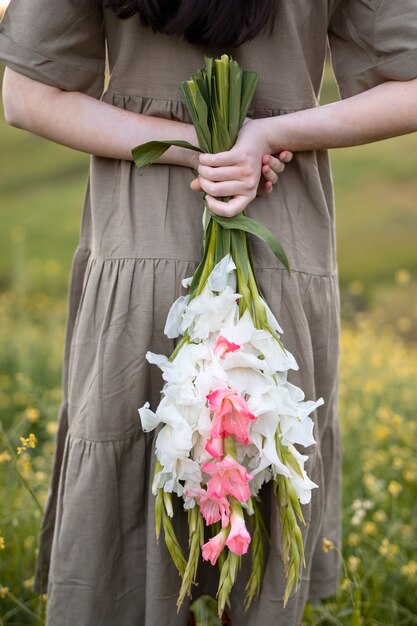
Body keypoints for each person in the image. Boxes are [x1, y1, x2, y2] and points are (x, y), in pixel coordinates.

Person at [1, 1, 416, 625]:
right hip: (279, 240)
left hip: (139, 240)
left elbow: (26, 95)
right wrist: (268, 136)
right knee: (260, 496)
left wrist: (187, 146)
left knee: (132, 524)